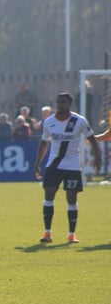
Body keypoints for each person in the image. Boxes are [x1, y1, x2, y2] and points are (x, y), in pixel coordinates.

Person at [33, 92, 100, 244]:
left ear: (69, 104)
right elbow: (44, 143)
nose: (60, 105)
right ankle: (47, 233)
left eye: (63, 102)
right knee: (49, 195)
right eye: (58, 102)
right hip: (54, 165)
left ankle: (71, 234)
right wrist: (37, 163)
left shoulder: (79, 121)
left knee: (71, 199)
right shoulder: (48, 122)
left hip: (72, 165)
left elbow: (92, 139)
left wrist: (97, 159)